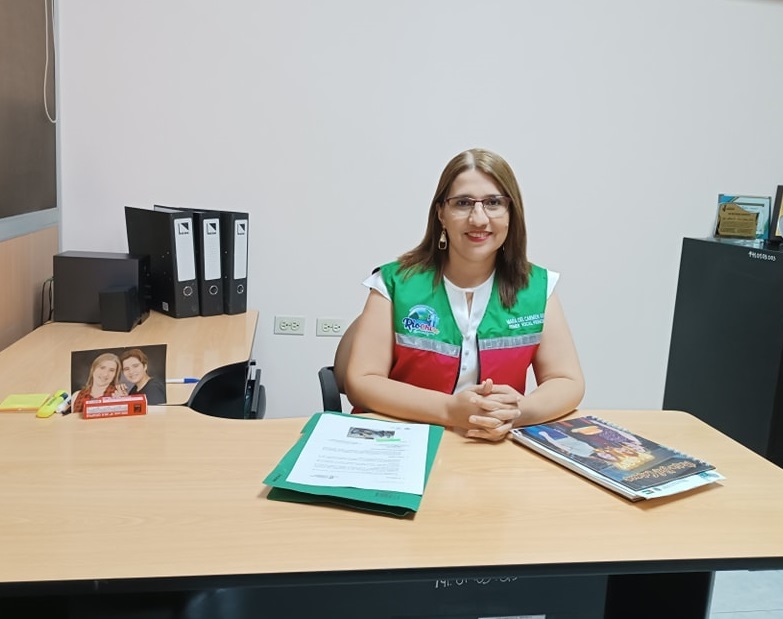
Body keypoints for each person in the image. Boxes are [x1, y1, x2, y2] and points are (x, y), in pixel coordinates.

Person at [342, 147, 585, 442]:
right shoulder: (394, 283)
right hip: (401, 442)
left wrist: (518, 411)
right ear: (441, 213)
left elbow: (567, 381)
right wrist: (448, 410)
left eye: (494, 203)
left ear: (511, 213)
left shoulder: (537, 287)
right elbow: (362, 381)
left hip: (492, 448)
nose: (479, 219)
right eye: (463, 203)